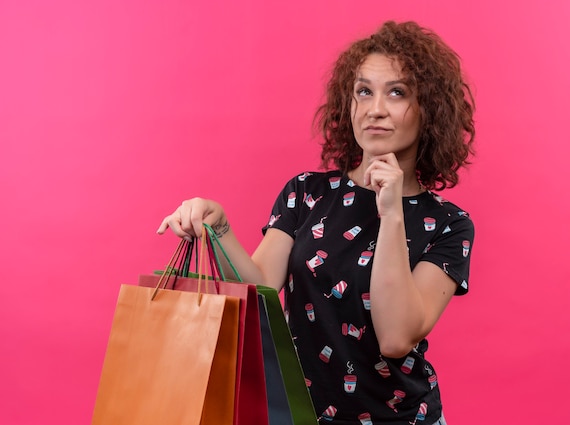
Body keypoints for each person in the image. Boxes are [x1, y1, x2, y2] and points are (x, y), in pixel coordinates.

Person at [158, 20, 475, 425]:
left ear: (429, 110)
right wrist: (220, 229)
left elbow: (396, 338)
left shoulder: (448, 224)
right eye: (364, 91)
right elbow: (262, 293)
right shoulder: (307, 193)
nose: (375, 109)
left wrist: (392, 214)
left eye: (397, 92)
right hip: (303, 415)